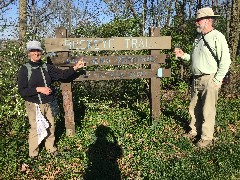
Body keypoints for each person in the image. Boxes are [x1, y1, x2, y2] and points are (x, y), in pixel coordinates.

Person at [174, 7, 231, 148]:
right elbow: (194, 58)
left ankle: (206, 137)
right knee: (194, 107)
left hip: (210, 78)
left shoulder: (218, 36)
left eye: (199, 20)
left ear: (208, 20)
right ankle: (194, 131)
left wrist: (217, 80)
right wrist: (183, 55)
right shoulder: (198, 38)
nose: (196, 23)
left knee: (208, 109)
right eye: (196, 20)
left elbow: (225, 61)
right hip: (196, 78)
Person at [18, 40, 85, 159]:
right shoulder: (24, 69)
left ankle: (50, 148)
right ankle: (33, 153)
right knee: (35, 128)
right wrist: (39, 89)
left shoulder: (46, 67)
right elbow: (22, 91)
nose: (36, 53)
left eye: (38, 50)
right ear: (29, 53)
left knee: (50, 126)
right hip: (33, 104)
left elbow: (63, 75)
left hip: (48, 102)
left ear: (41, 52)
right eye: (33, 51)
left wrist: (75, 68)